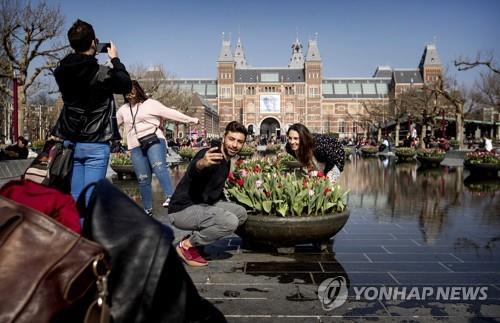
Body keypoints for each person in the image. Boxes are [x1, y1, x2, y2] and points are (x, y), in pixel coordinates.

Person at [51, 19, 132, 202]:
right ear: (94, 43)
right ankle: (88, 230)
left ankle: (76, 229)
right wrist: (116, 59)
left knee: (75, 196)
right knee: (91, 197)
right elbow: (126, 84)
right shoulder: (102, 74)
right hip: (96, 141)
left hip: (72, 141)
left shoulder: (61, 72)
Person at [168, 121, 248, 267]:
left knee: (241, 213)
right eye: (231, 139)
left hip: (202, 204)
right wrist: (202, 164)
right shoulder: (210, 154)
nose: (235, 145)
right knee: (229, 221)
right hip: (182, 209)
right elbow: (195, 169)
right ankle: (186, 245)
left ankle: (197, 241)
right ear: (224, 138)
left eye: (239, 141)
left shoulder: (226, 159)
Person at [116, 80, 199, 216]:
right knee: (143, 179)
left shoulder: (150, 104)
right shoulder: (123, 110)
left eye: (131, 91)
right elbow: (112, 125)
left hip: (154, 139)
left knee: (158, 165)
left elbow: (170, 113)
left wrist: (190, 119)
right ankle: (147, 210)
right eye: (126, 92)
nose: (129, 94)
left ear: (137, 90)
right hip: (136, 146)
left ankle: (170, 196)